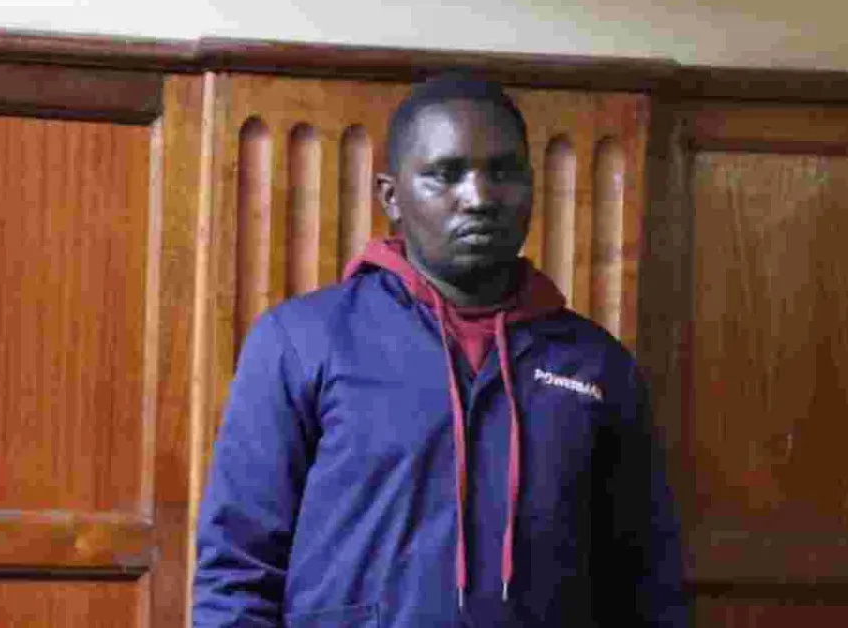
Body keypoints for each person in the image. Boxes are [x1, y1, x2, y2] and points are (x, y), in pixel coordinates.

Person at [192, 74, 687, 627]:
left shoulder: (595, 364)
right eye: (446, 174)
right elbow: (237, 569)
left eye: (503, 172)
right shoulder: (302, 341)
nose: (479, 198)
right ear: (391, 197)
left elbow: (646, 583)